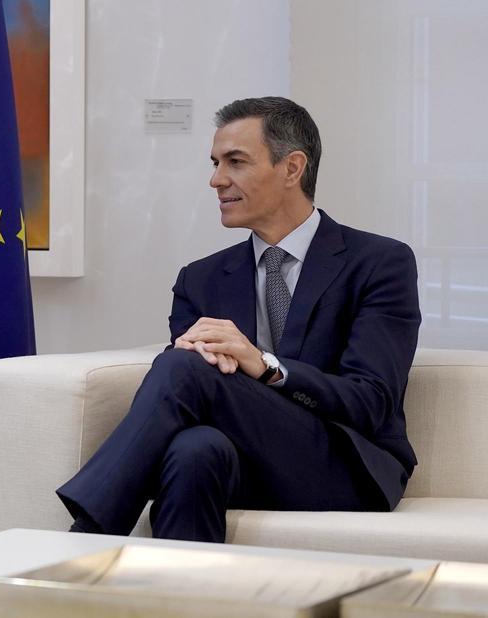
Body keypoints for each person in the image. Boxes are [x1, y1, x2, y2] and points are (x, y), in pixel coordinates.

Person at [57, 96, 421, 542]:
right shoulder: (200, 280)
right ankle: (175, 585)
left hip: (343, 463)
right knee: (194, 449)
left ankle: (88, 533)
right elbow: (191, 398)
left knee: (183, 367)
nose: (216, 179)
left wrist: (265, 366)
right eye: (215, 163)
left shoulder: (380, 263)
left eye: (235, 161)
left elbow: (370, 401)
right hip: (244, 460)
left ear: (292, 168)